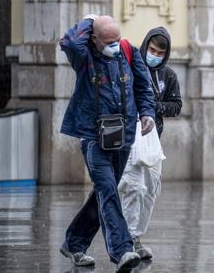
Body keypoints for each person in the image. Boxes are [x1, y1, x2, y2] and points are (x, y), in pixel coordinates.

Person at [58, 15, 156, 272]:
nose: (115, 45)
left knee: (103, 192)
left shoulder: (127, 51)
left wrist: (147, 113)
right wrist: (88, 22)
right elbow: (68, 43)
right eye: (108, 41)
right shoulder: (84, 57)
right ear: (94, 39)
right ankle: (122, 250)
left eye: (117, 39)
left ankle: (74, 243)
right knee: (108, 189)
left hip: (123, 137)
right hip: (93, 138)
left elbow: (144, 87)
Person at [118, 27, 182, 260]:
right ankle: (124, 240)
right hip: (130, 138)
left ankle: (136, 238)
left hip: (153, 139)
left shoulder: (168, 76)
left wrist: (155, 107)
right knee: (133, 187)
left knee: (151, 189)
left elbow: (176, 105)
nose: (153, 54)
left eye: (159, 52)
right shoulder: (130, 69)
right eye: (151, 49)